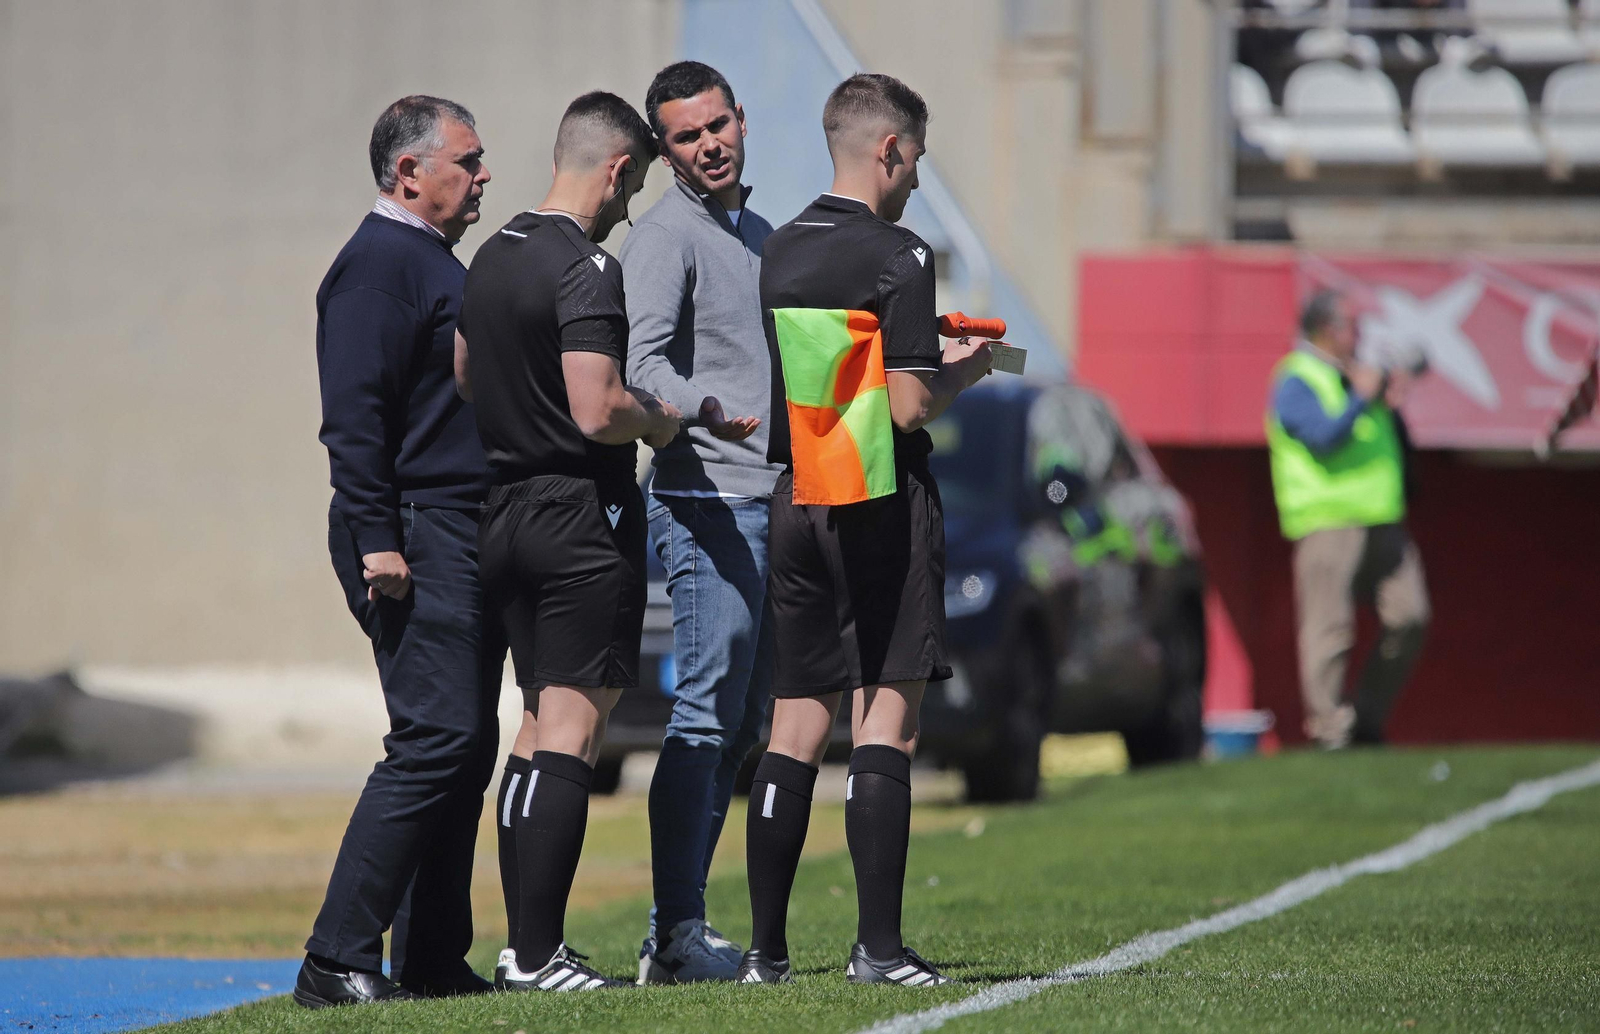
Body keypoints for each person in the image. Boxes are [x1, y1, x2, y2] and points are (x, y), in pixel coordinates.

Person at [739, 73, 993, 988]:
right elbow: (910, 404)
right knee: (887, 720)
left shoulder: (783, 245)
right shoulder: (903, 255)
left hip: (797, 497)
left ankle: (765, 954)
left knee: (794, 724)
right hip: (879, 501)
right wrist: (969, 368)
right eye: (917, 157)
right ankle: (878, 952)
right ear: (889, 149)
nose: (919, 178)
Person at [456, 90, 678, 993]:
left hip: (500, 512)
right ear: (618, 168)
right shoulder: (587, 266)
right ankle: (538, 953)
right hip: (578, 519)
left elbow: (467, 376)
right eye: (637, 183)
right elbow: (597, 409)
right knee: (574, 737)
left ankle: (520, 947)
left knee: (535, 728)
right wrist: (658, 421)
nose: (631, 205)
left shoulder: (492, 250)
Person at [299, 95, 500, 1008]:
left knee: (465, 744)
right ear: (409, 173)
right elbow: (355, 420)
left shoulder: (427, 261)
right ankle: (336, 959)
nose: (482, 174)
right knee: (436, 739)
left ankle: (428, 959)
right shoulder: (380, 265)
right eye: (467, 159)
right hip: (410, 531)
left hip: (455, 526)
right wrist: (378, 540)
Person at [620, 60, 779, 985]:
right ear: (664, 150)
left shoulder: (755, 231)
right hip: (701, 497)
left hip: (764, 499)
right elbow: (642, 363)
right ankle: (675, 934)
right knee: (707, 714)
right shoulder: (665, 236)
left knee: (742, 717)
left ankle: (677, 929)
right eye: (686, 135)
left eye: (716, 124)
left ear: (740, 118)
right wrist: (702, 409)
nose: (709, 143)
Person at [1266, 289, 1430, 750]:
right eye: (1352, 327)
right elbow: (1322, 436)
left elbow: (1391, 445)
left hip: (1381, 518)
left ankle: (1365, 719)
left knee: (1410, 616)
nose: (1360, 337)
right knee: (1329, 626)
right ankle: (1330, 729)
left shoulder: (1358, 378)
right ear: (1326, 329)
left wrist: (1385, 403)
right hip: (1327, 519)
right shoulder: (1298, 378)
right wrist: (1360, 397)